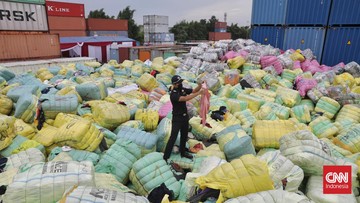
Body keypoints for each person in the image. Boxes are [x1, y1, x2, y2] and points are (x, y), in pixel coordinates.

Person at [163, 75, 203, 162]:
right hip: (177, 118)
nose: (181, 83)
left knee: (184, 136)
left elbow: (193, 90)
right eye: (179, 82)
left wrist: (200, 85)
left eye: (181, 81)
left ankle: (183, 152)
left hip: (185, 117)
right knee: (173, 137)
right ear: (175, 84)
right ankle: (166, 157)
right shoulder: (173, 94)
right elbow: (185, 98)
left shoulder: (182, 89)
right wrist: (199, 94)